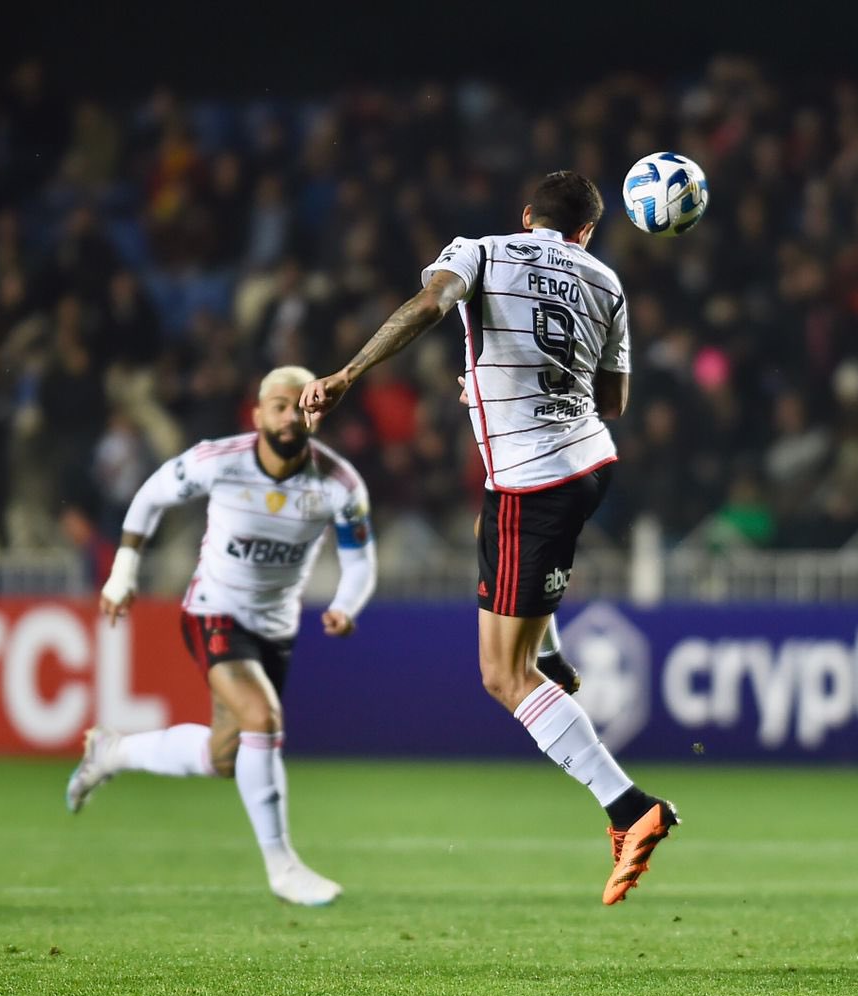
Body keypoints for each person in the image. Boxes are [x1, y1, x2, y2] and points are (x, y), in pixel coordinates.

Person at [300, 171, 677, 905]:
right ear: (587, 232)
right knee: (492, 539)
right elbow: (616, 400)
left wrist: (349, 372)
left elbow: (429, 305)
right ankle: (554, 650)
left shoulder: (481, 250)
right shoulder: (606, 281)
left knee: (502, 677)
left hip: (531, 482)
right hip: (588, 464)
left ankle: (631, 808)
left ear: (526, 214)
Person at [65, 366, 377, 907]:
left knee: (225, 755)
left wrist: (347, 606)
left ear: (316, 411)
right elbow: (150, 496)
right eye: (276, 405)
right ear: (257, 414)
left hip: (275, 630)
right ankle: (283, 867)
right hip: (214, 611)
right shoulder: (220, 460)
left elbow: (360, 560)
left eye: (298, 404)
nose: (287, 414)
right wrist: (123, 573)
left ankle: (113, 751)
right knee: (262, 718)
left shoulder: (339, 484)